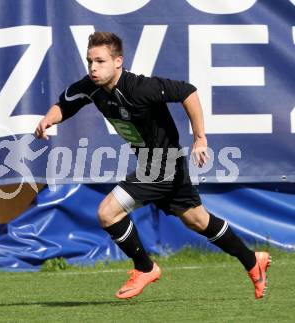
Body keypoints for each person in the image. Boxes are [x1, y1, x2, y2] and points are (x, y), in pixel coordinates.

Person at [34, 31, 271, 300]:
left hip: (163, 164)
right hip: (162, 164)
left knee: (107, 213)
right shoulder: (92, 86)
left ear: (118, 61)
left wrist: (200, 138)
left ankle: (145, 268)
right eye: (90, 61)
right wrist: (48, 120)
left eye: (100, 61)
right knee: (197, 220)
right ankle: (253, 260)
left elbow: (188, 92)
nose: (93, 68)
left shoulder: (140, 88)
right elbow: (66, 104)